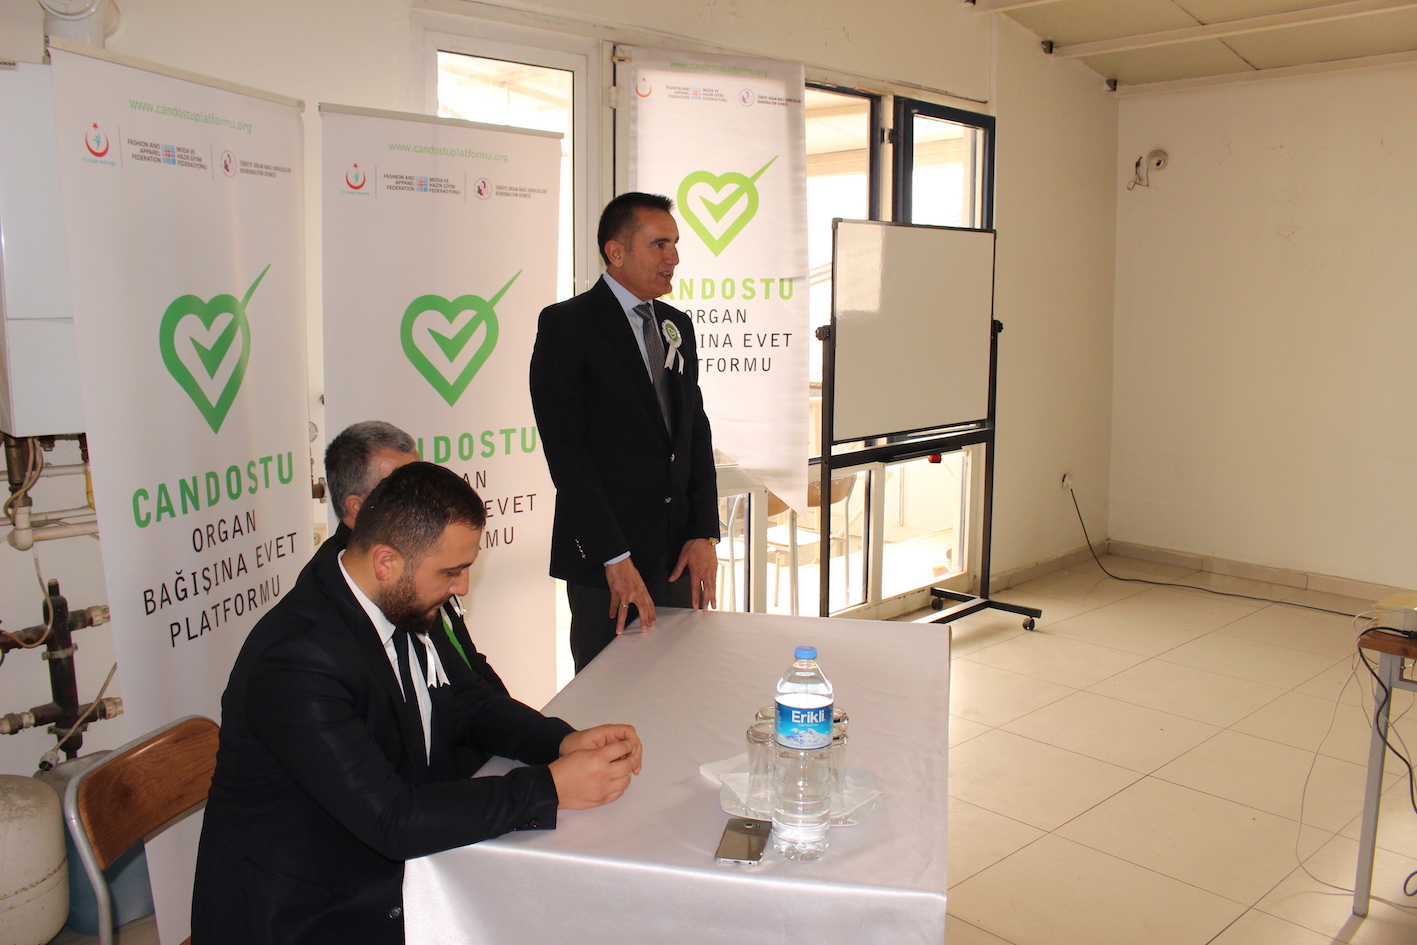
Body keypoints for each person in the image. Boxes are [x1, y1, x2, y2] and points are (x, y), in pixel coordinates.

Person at [191, 463, 642, 945]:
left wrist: (560, 742)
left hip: (393, 872)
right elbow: (393, 820)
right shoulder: (297, 661)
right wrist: (550, 787)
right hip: (309, 916)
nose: (462, 587)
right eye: (452, 571)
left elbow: (466, 703)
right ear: (386, 561)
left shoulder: (399, 599)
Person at [530, 192, 720, 672]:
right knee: (608, 692)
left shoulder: (677, 326)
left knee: (677, 684)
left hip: (676, 557)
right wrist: (613, 557)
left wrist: (703, 532)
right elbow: (567, 453)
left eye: (675, 244)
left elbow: (694, 432)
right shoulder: (567, 325)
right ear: (616, 252)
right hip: (607, 564)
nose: (673, 257)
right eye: (659, 245)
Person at [307, 420, 506, 696]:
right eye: (398, 486)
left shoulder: (428, 553)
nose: (425, 495)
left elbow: (466, 666)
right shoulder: (353, 588)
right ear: (357, 507)